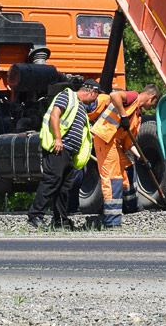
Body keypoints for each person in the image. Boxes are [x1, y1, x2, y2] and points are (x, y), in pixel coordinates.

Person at [28, 79, 99, 230]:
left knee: (64, 188)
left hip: (69, 153)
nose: (95, 101)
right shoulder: (67, 96)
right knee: (52, 181)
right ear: (91, 92)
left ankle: (60, 221)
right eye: (96, 96)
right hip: (59, 148)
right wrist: (58, 140)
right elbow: (55, 115)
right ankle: (35, 215)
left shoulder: (80, 107)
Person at [88, 83, 161, 229]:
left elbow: (128, 144)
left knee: (128, 167)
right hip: (105, 139)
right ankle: (112, 221)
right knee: (113, 178)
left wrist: (142, 158)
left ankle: (130, 206)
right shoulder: (133, 97)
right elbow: (114, 95)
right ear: (152, 97)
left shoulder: (137, 115)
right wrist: (123, 116)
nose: (152, 107)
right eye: (154, 103)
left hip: (114, 143)